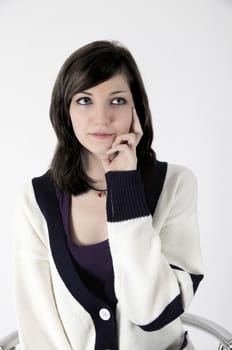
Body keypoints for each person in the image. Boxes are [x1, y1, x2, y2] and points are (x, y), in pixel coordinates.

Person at [13, 40, 204, 350]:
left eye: (116, 101)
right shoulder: (36, 200)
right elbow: (38, 328)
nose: (101, 118)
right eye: (85, 100)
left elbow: (153, 312)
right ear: (65, 109)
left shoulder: (176, 184)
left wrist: (124, 184)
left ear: (136, 110)